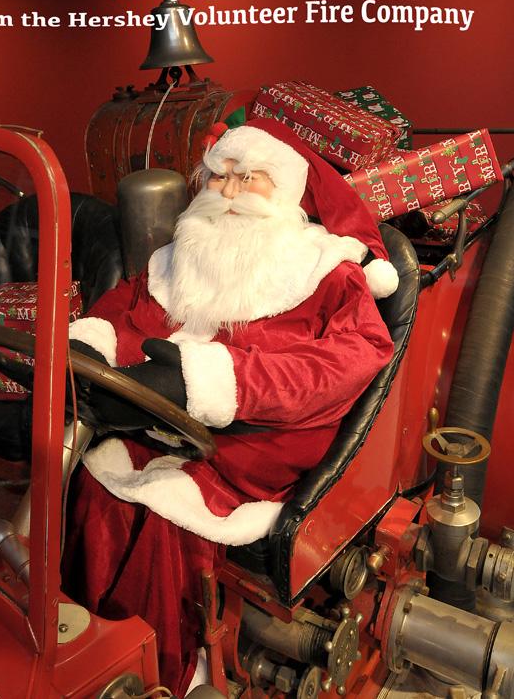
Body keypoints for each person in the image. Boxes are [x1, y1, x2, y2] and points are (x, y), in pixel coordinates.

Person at [61, 118, 396, 695]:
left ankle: (169, 671)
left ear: (286, 190)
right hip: (157, 422)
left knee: (165, 515)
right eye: (221, 176)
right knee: (90, 486)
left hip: (252, 441)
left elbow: (355, 355)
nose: (231, 192)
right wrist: (91, 343)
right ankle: (86, 647)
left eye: (251, 178)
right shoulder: (177, 256)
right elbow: (123, 307)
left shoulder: (323, 267)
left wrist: (219, 380)